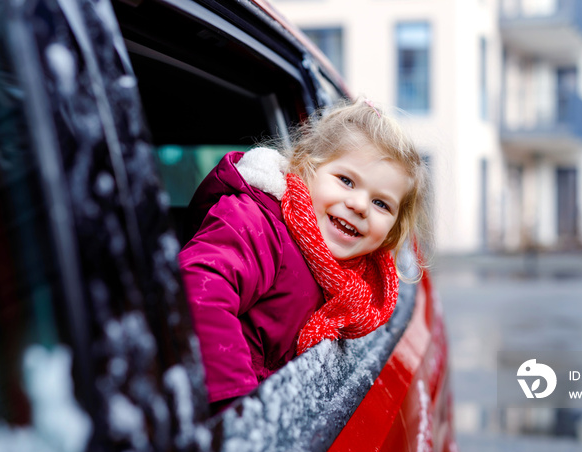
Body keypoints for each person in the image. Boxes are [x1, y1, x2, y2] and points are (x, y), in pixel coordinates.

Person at [178, 99, 432, 412]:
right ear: (306, 167)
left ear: (393, 231)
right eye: (346, 181)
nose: (359, 205)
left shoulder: (353, 281)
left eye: (381, 204)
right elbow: (197, 291)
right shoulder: (257, 224)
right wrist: (239, 408)